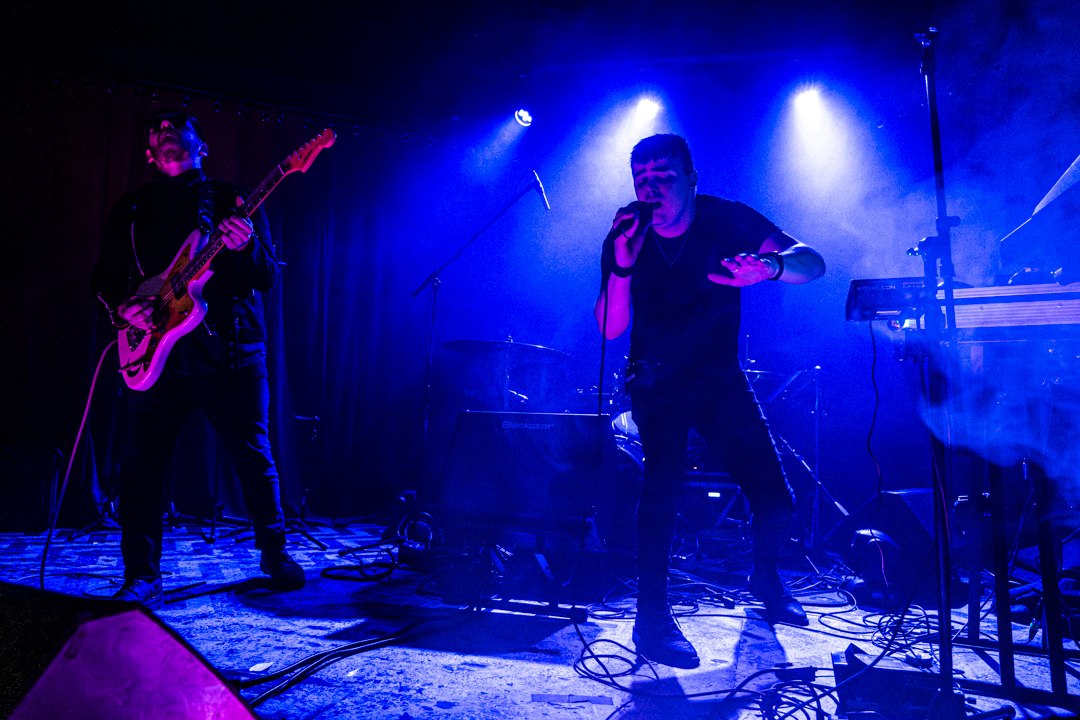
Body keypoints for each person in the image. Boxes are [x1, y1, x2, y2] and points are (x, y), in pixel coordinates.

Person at [594, 134, 825, 668]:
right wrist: (622, 264)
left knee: (777, 499)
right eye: (641, 178)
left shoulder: (727, 219)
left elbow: (812, 263)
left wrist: (769, 268)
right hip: (655, 379)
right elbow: (609, 328)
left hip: (719, 378)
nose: (651, 188)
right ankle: (651, 616)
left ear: (692, 180)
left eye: (664, 176)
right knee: (661, 490)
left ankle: (765, 579)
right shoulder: (625, 235)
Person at [91, 109, 304, 607]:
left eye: (177, 125)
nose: (165, 130)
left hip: (228, 351)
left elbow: (268, 277)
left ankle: (275, 553)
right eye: (156, 129)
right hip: (155, 352)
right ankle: (142, 575)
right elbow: (105, 277)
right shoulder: (131, 208)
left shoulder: (232, 199)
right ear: (149, 155)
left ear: (201, 146)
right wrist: (123, 308)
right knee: (140, 466)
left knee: (253, 456)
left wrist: (245, 247)